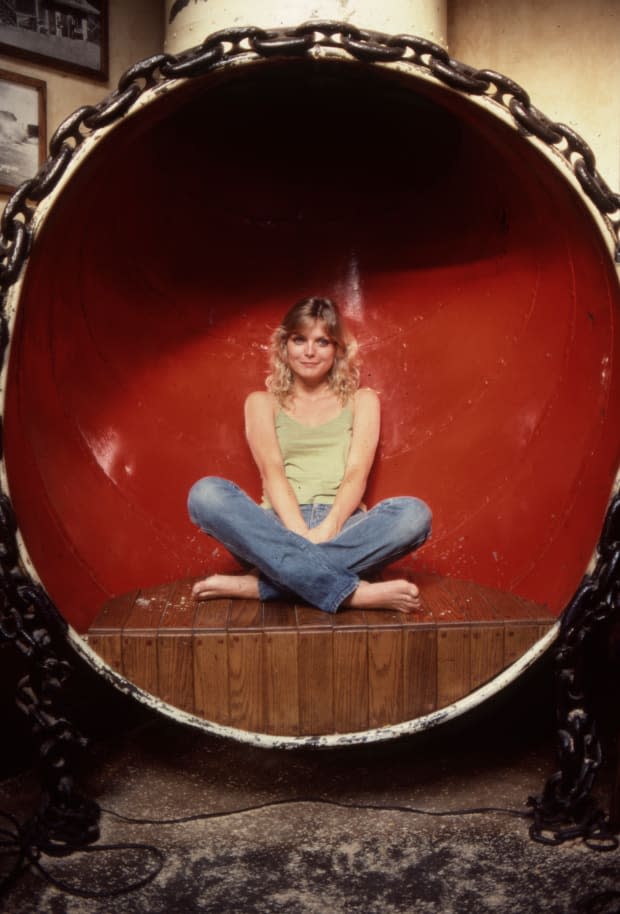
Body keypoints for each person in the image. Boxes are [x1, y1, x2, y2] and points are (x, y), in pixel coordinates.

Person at [187, 297, 431, 614]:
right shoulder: (261, 402)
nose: (310, 351)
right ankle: (354, 594)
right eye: (299, 339)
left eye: (322, 342)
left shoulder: (363, 400)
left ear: (337, 349)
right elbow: (272, 472)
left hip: (344, 525)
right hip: (275, 528)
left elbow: (357, 473)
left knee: (414, 515)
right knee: (205, 494)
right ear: (284, 345)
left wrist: (326, 531)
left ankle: (259, 586)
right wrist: (300, 536)